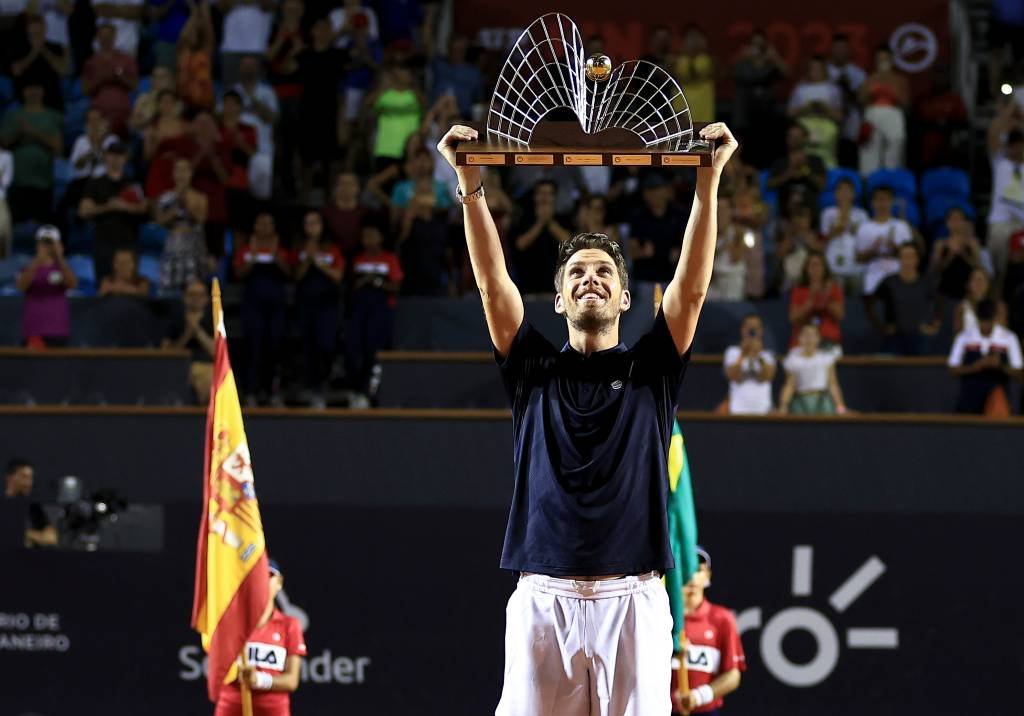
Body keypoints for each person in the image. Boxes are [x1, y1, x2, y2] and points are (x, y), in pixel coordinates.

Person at [436, 120, 737, 714]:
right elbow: (494, 287)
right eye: (576, 273)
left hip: (634, 598)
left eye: (604, 272)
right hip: (544, 598)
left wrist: (708, 184)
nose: (590, 279)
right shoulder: (532, 370)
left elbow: (692, 290)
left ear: (626, 298)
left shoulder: (654, 368)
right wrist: (469, 180)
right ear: (560, 299)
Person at [213, 559, 307, 716]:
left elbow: (291, 681)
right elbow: (217, 668)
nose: (263, 580)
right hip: (232, 707)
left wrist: (259, 680)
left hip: (274, 710)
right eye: (258, 576)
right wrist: (237, 672)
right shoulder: (230, 622)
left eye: (269, 576)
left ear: (279, 583)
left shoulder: (290, 625)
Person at [671, 547, 745, 715]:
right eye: (684, 568)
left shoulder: (722, 619)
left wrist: (698, 697)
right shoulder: (659, 618)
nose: (691, 576)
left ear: (707, 576)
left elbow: (732, 675)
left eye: (698, 570)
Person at [234, 211, 292, 406]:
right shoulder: (245, 250)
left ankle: (273, 391)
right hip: (253, 305)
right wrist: (254, 256)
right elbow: (239, 273)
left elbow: (289, 272)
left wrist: (275, 255)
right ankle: (250, 391)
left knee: (275, 347)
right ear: (255, 227)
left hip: (276, 306)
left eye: (269, 224)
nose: (265, 227)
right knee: (253, 347)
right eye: (261, 223)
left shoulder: (281, 250)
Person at [346, 222, 402, 408]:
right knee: (355, 351)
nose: (368, 240)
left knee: (375, 353)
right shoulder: (358, 259)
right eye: (365, 236)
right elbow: (351, 286)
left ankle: (371, 394)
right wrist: (364, 282)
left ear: (380, 238)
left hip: (381, 311)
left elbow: (396, 285)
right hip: (360, 311)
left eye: (372, 235)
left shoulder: (389, 259)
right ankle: (356, 391)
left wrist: (377, 282)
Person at [79, 139, 148, 280]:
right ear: (106, 157)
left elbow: (144, 208)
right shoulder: (96, 183)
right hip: (104, 241)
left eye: (119, 155)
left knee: (130, 282)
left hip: (128, 241)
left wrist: (124, 206)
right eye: (112, 154)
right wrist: (108, 207)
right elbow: (84, 210)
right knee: (104, 282)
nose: (115, 158)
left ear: (124, 158)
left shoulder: (132, 183)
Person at [295, 210, 343, 409]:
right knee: (309, 346)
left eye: (315, 222)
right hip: (306, 304)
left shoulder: (332, 250)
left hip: (328, 304)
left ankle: (326, 383)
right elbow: (296, 276)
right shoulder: (299, 249)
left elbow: (338, 276)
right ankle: (313, 387)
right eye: (308, 223)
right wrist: (308, 258)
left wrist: (318, 262)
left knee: (326, 344)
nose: (312, 227)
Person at [949, 299, 1023, 416]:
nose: (985, 325)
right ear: (977, 319)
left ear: (994, 318)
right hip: (969, 398)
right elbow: (952, 370)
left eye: (988, 321)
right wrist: (975, 366)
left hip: (998, 399)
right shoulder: (964, 337)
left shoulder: (1009, 338)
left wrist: (1000, 366)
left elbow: (1019, 374)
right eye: (982, 321)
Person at [1, 81, 62, 223]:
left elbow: (58, 147)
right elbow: (2, 144)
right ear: (23, 91)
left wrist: (32, 132)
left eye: (37, 87)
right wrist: (19, 132)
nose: (33, 92)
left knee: (45, 227)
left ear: (43, 91)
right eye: (30, 87)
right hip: (17, 182)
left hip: (43, 182)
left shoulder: (52, 115)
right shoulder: (13, 115)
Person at [16, 225, 77, 347]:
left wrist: (60, 256)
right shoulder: (28, 268)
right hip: (34, 331)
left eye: (51, 243)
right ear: (37, 245)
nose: (48, 247)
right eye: (44, 243)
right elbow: (21, 286)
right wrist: (38, 260)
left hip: (58, 330)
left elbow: (72, 284)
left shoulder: (63, 268)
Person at [155, 157, 208, 295]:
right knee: (169, 288)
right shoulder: (165, 197)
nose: (181, 174)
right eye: (178, 170)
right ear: (173, 173)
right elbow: (160, 221)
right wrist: (175, 205)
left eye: (185, 170)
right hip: (173, 244)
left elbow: (200, 220)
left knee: (192, 287)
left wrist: (187, 204)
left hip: (193, 244)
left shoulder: (200, 197)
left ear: (191, 173)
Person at [874, 244, 940, 355]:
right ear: (899, 259)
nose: (907, 261)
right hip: (895, 336)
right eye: (903, 257)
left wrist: (934, 325)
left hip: (919, 336)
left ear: (917, 260)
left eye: (910, 257)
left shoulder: (926, 283)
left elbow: (939, 303)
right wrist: (880, 326)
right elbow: (871, 304)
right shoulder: (889, 282)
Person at [510, 179, 572, 295]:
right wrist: (540, 223)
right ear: (535, 196)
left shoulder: (563, 219)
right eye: (541, 193)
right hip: (528, 285)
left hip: (557, 287)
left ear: (554, 197)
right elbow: (520, 244)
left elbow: (569, 243)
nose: (545, 197)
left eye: (549, 194)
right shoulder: (523, 220)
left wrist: (550, 223)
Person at [855, 185, 914, 306]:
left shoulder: (901, 226)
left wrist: (895, 249)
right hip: (872, 277)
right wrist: (873, 250)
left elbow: (911, 256)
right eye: (879, 200)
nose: (882, 204)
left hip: (898, 276)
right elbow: (859, 259)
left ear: (891, 202)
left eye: (886, 200)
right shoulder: (864, 228)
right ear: (873, 203)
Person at [985, 101, 1024, 279]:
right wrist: (1009, 109)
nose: (1015, 147)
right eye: (1012, 143)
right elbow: (993, 133)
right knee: (996, 273)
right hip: (1000, 224)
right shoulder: (1001, 163)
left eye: (1019, 143)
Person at [858, 46, 909, 174]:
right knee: (870, 151)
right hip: (873, 113)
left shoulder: (899, 80)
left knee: (894, 148)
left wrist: (889, 84)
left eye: (885, 58)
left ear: (891, 60)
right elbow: (861, 100)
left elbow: (905, 102)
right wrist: (873, 87)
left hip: (893, 114)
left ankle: (892, 178)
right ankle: (869, 179)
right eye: (879, 59)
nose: (882, 62)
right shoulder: (870, 79)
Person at [163, 277, 215, 403]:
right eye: (191, 294)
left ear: (206, 298)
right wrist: (187, 333)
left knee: (212, 381)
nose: (195, 298)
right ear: (184, 297)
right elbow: (165, 352)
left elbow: (216, 352)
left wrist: (197, 331)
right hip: (179, 366)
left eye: (200, 295)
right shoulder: (175, 319)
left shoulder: (214, 319)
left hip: (206, 366)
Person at [81, 23, 138, 135]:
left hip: (122, 114)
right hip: (99, 115)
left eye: (109, 36)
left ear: (115, 36)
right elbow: (85, 90)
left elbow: (134, 85)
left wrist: (118, 77)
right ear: (97, 37)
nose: (106, 39)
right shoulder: (91, 62)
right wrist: (102, 78)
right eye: (103, 36)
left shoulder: (126, 59)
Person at [779, 323, 846, 415]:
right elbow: (790, 385)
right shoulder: (793, 360)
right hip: (801, 402)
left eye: (812, 335)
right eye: (806, 335)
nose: (809, 339)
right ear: (799, 338)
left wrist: (840, 406)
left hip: (822, 401)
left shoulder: (826, 359)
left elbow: (833, 384)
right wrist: (783, 406)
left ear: (818, 338)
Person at [787, 55, 843, 167]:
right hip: (804, 131)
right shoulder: (800, 89)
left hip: (826, 130)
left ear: (824, 70)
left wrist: (824, 108)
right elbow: (789, 114)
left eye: (818, 68)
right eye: (812, 68)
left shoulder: (833, 89)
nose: (815, 71)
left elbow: (839, 116)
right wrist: (806, 108)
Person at [766, 122, 827, 217]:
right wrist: (789, 173)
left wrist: (805, 170)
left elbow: (822, 185)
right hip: (785, 215)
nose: (795, 139)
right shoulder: (779, 163)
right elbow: (770, 185)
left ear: (805, 138)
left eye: (798, 136)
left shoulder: (816, 161)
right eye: (792, 136)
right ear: (787, 139)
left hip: (811, 216)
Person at [10, 13, 68, 111]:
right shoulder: (18, 48)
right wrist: (34, 52)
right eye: (34, 33)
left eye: (39, 32)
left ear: (45, 30)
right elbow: (16, 71)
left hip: (51, 98)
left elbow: (63, 71)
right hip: (24, 99)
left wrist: (44, 50)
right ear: (28, 30)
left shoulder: (56, 48)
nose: (37, 35)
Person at [820, 178, 868, 290]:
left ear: (853, 194)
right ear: (835, 194)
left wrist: (851, 226)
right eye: (840, 191)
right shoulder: (828, 213)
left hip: (856, 266)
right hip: (833, 265)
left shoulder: (861, 214)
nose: (843, 194)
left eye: (847, 191)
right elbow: (823, 240)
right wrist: (835, 230)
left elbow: (865, 240)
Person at [932, 208, 988, 304]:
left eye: (959, 219)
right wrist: (950, 254)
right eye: (953, 219)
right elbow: (936, 269)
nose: (956, 223)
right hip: (946, 289)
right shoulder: (940, 244)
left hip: (967, 289)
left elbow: (977, 267)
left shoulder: (973, 243)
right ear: (947, 223)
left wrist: (963, 252)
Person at [789, 251, 844, 348]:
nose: (815, 269)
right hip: (803, 340)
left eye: (818, 265)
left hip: (828, 339)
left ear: (825, 268)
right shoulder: (799, 290)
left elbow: (840, 315)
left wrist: (826, 297)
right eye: (812, 265)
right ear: (806, 269)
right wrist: (811, 299)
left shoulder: (833, 289)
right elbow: (793, 318)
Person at [723, 314, 775, 415]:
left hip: (763, 411)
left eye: (756, 327)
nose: (752, 330)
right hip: (737, 411)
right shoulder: (732, 352)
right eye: (749, 327)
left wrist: (758, 355)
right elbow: (733, 376)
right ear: (742, 329)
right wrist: (742, 354)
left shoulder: (767, 355)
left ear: (761, 330)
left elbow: (767, 376)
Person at [2, 458, 57, 549]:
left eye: (31, 478)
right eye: (24, 477)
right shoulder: (3, 506)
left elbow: (51, 538)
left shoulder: (33, 508)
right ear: (9, 477)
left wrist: (24, 534)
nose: (29, 483)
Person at [672, 26, 714, 123]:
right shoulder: (677, 60)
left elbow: (720, 75)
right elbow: (687, 77)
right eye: (691, 37)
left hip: (704, 111)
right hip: (683, 108)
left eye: (697, 37)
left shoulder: (707, 59)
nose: (694, 41)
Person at [954, 267, 1008, 334]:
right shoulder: (961, 308)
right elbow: (958, 337)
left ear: (988, 284)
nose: (979, 283)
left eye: (982, 279)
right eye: (975, 279)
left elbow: (1004, 336)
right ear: (968, 284)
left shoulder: (999, 307)